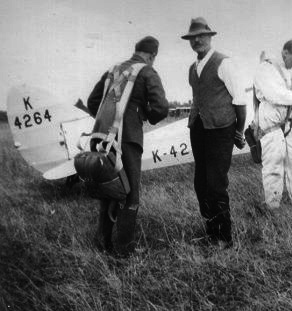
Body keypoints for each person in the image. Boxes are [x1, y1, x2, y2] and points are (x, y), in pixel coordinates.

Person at [87, 36, 170, 256]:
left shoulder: (113, 70)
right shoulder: (147, 71)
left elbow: (92, 102)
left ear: (136, 51)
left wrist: (108, 119)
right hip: (128, 141)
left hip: (101, 139)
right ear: (153, 55)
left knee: (108, 189)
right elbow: (161, 108)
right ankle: (124, 249)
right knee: (130, 194)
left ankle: (102, 242)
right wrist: (143, 115)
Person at [181, 17, 247, 249]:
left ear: (210, 37)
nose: (197, 40)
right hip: (199, 129)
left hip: (221, 129)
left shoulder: (223, 63)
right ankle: (211, 230)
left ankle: (224, 237)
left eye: (201, 35)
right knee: (201, 182)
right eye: (192, 37)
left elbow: (239, 100)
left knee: (216, 183)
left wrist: (238, 131)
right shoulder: (193, 68)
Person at [253, 40, 292, 209]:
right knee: (273, 166)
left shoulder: (288, 72)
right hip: (272, 127)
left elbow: (288, 96)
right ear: (285, 52)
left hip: (289, 126)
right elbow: (274, 95)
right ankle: (273, 206)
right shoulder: (265, 69)